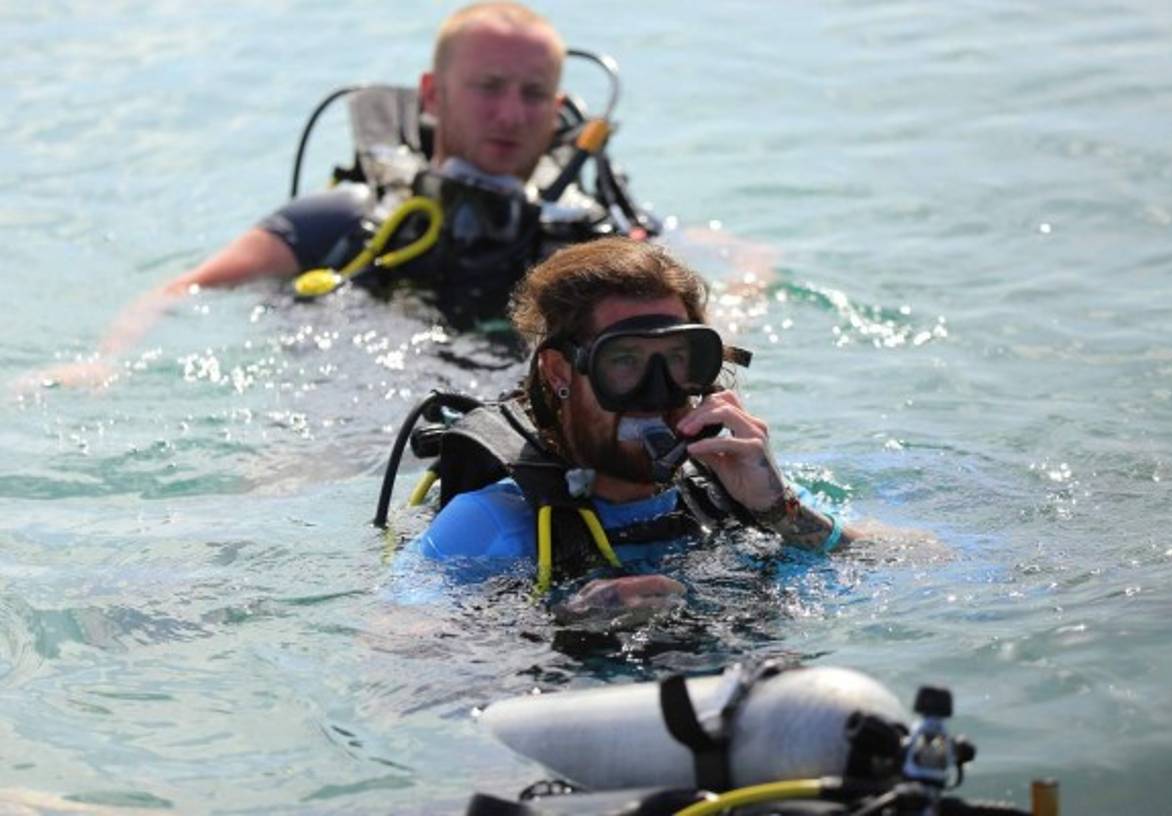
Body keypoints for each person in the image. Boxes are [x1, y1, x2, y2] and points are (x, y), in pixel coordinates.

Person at [33, 2, 657, 390]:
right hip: (345, 406)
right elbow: (185, 290)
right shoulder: (342, 220)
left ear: (558, 110)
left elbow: (684, 282)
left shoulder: (582, 238)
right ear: (432, 94)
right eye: (489, 86)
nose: (511, 114)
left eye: (532, 94)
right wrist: (104, 360)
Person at [397, 237, 867, 619]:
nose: (658, 392)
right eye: (624, 361)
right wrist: (562, 620)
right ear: (560, 373)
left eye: (679, 359)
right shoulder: (490, 522)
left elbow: (918, 562)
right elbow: (394, 664)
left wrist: (780, 512)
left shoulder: (732, 487)